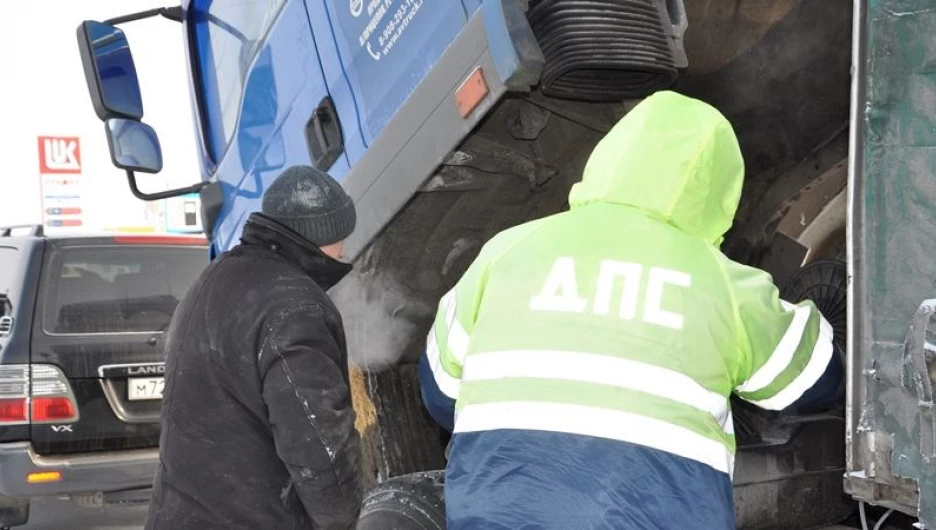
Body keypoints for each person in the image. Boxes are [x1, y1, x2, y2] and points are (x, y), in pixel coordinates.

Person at [418, 91, 843, 529]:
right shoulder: (722, 283)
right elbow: (813, 380)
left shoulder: (507, 250)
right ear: (716, 191)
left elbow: (439, 393)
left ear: (610, 159)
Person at [146, 165, 362, 530]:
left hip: (178, 514)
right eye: (340, 235)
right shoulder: (293, 304)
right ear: (319, 233)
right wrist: (345, 519)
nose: (344, 248)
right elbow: (316, 442)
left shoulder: (214, 278)